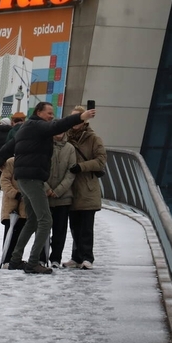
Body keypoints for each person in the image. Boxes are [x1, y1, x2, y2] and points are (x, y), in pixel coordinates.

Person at [7, 101, 96, 274]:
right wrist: (80, 116)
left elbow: (9, 147)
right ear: (39, 112)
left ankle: (15, 260)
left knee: (33, 220)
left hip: (25, 179)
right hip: (32, 180)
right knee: (46, 220)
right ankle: (33, 263)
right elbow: (57, 126)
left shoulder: (28, 126)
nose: (51, 116)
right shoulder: (38, 126)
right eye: (49, 113)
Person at [65, 105, 107, 270]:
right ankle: (76, 257)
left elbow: (101, 160)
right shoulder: (64, 137)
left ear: (85, 119)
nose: (75, 121)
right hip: (69, 187)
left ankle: (87, 257)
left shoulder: (93, 138)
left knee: (86, 226)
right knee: (74, 225)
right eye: (73, 117)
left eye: (78, 117)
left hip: (87, 188)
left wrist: (81, 166)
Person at [44, 131, 77, 268]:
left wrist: (58, 190)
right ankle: (41, 256)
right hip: (44, 196)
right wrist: (46, 188)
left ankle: (56, 258)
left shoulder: (70, 148)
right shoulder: (44, 145)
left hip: (63, 197)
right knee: (43, 228)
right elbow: (39, 167)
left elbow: (71, 171)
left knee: (60, 230)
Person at [0, 155, 26, 268]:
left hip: (24, 206)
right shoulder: (11, 162)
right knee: (10, 233)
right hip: (11, 205)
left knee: (21, 233)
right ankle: (7, 259)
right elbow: (4, 180)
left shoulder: (31, 161)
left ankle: (15, 259)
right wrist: (15, 193)